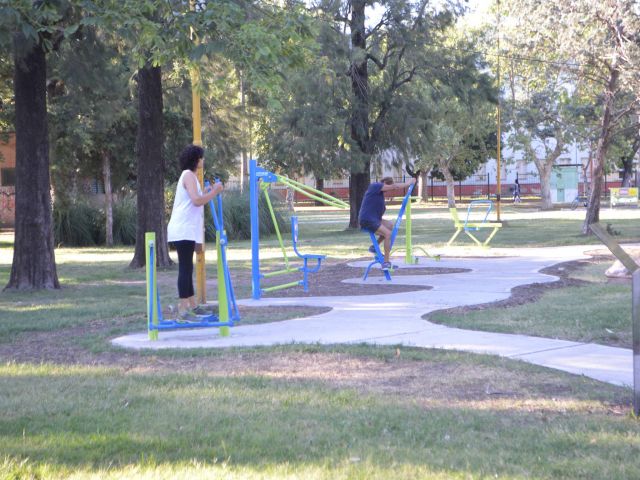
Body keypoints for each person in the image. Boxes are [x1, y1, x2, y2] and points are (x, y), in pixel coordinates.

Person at [167, 144, 223, 320]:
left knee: (188, 267)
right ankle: (182, 309)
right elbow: (197, 201)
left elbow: (196, 197)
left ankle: (193, 305)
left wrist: (206, 190)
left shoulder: (191, 177)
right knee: (185, 268)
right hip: (183, 228)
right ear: (196, 159)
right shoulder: (188, 175)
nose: (203, 160)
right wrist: (214, 192)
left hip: (188, 229)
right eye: (201, 157)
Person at [358, 176, 416, 271]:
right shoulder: (375, 186)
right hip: (367, 219)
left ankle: (374, 247)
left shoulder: (379, 196)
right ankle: (386, 263)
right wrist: (408, 183)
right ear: (384, 183)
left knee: (389, 226)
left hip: (374, 219)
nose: (387, 190)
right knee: (388, 234)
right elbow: (395, 186)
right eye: (387, 186)